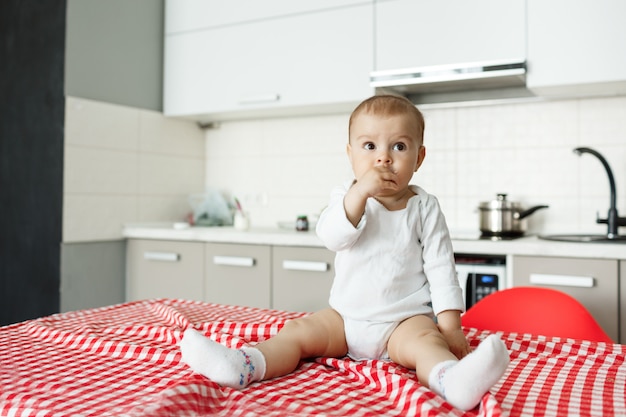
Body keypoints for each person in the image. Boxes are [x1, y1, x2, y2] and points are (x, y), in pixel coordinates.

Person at [179, 94, 510, 411]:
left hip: (403, 322)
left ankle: (451, 380)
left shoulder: (424, 207)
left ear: (419, 158)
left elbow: (441, 268)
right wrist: (361, 193)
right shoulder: (346, 198)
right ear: (351, 155)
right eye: (370, 146)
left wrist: (451, 329)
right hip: (344, 319)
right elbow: (332, 236)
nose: (383, 158)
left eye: (399, 146)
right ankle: (244, 364)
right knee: (296, 332)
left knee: (428, 344)